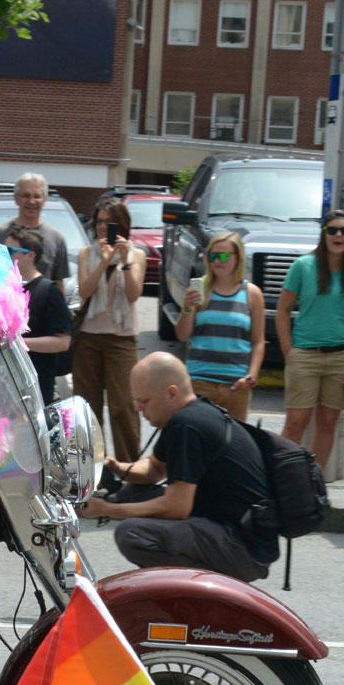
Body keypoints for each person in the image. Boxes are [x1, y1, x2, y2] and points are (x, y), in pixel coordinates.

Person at [78, 352, 276, 582]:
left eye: (144, 401)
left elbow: (176, 507)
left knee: (131, 534)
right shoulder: (192, 412)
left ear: (172, 393)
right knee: (132, 493)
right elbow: (154, 470)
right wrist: (120, 468)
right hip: (230, 532)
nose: (137, 409)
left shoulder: (188, 425)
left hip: (243, 548)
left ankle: (193, 592)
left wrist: (106, 509)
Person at [276, 210, 344, 471]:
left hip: (342, 357)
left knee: (328, 424)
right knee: (295, 423)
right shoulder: (303, 266)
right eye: (332, 230)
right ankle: (283, 482)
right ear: (324, 234)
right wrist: (290, 353)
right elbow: (283, 310)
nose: (339, 235)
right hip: (305, 355)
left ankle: (314, 487)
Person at [74, 197, 146, 468]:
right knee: (88, 410)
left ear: (122, 225)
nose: (104, 227)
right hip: (88, 338)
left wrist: (124, 262)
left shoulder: (135, 254)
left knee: (124, 407)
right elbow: (84, 291)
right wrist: (103, 263)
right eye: (100, 221)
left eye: (110, 222)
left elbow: (133, 294)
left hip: (121, 339)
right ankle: (93, 471)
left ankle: (129, 470)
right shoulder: (86, 253)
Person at [175, 231, 264, 420]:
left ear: (237, 258)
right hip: (199, 383)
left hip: (236, 386)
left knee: (233, 444)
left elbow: (258, 342)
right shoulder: (199, 289)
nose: (217, 261)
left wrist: (250, 377)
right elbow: (182, 336)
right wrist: (187, 308)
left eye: (223, 256)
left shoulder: (252, 294)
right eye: (212, 256)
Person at [6, 226, 70, 404]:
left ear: (30, 255)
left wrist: (18, 344)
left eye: (11, 251)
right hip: (7, 387)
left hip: (36, 390)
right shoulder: (7, 289)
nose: (5, 256)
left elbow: (63, 342)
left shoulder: (49, 291)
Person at [0, 172, 70, 292]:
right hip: (6, 308)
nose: (31, 201)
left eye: (37, 196)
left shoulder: (56, 239)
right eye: (26, 195)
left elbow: (58, 284)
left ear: (44, 200)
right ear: (16, 198)